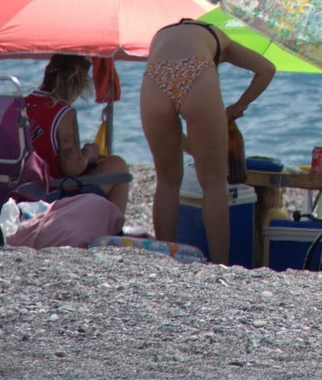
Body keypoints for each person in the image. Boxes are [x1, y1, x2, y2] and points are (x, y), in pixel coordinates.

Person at [139, 18, 275, 264]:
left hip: (155, 74)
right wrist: (238, 105)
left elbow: (173, 136)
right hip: (197, 69)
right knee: (213, 183)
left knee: (167, 181)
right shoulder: (221, 39)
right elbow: (267, 69)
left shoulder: (163, 35)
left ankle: (163, 261)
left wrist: (196, 148)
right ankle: (219, 265)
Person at [25, 54, 133, 213]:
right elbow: (73, 168)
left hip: (24, 188)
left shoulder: (23, 104)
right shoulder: (62, 112)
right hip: (53, 193)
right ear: (74, 82)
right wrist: (89, 151)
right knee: (118, 166)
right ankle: (111, 226)